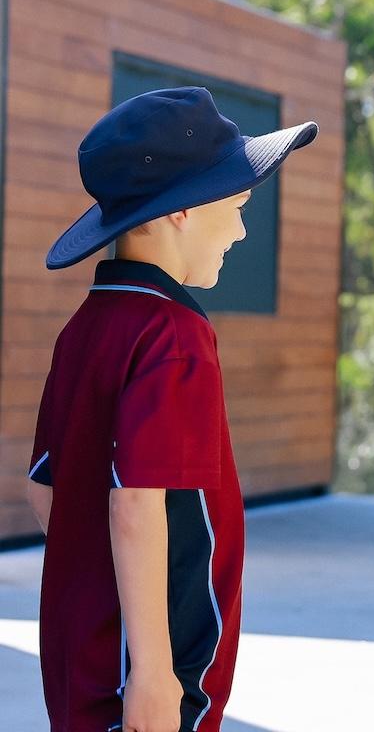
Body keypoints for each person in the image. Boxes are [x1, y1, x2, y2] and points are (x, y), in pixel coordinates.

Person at [25, 86, 318, 732]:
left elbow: (46, 487)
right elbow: (134, 500)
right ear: (180, 211)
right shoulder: (175, 336)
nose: (242, 229)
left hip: (83, 662)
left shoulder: (85, 329)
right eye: (237, 206)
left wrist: (98, 606)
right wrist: (154, 671)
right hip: (151, 677)